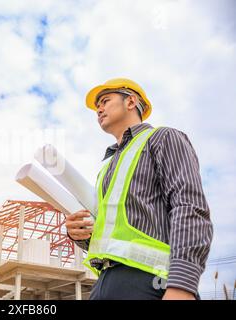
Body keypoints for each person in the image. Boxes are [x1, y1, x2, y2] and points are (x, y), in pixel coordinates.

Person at [66, 78, 213, 300]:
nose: (99, 109)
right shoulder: (107, 168)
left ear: (131, 101)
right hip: (105, 282)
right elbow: (112, 235)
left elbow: (189, 206)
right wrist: (80, 234)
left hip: (152, 282)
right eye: (97, 106)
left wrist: (183, 285)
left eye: (105, 100)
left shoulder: (163, 138)